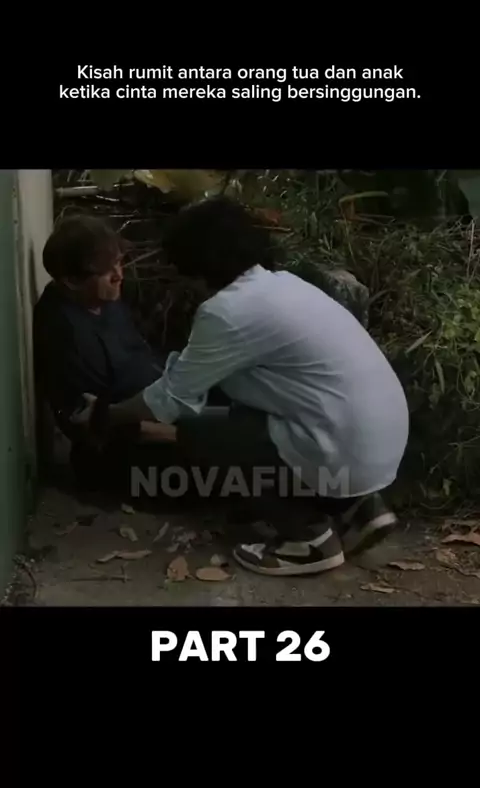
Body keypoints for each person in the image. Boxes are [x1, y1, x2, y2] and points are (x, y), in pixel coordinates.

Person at [72, 197, 410, 577]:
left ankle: (308, 539)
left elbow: (170, 399)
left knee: (206, 435)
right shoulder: (284, 285)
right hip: (379, 440)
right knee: (249, 416)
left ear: (195, 264)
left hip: (344, 447)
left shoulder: (227, 312)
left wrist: (105, 414)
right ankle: (358, 508)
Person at [33, 213, 175, 486]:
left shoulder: (102, 298)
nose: (119, 275)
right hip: (131, 449)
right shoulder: (64, 333)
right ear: (71, 280)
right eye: (106, 271)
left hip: (166, 401)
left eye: (119, 262)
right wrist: (182, 434)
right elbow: (88, 425)